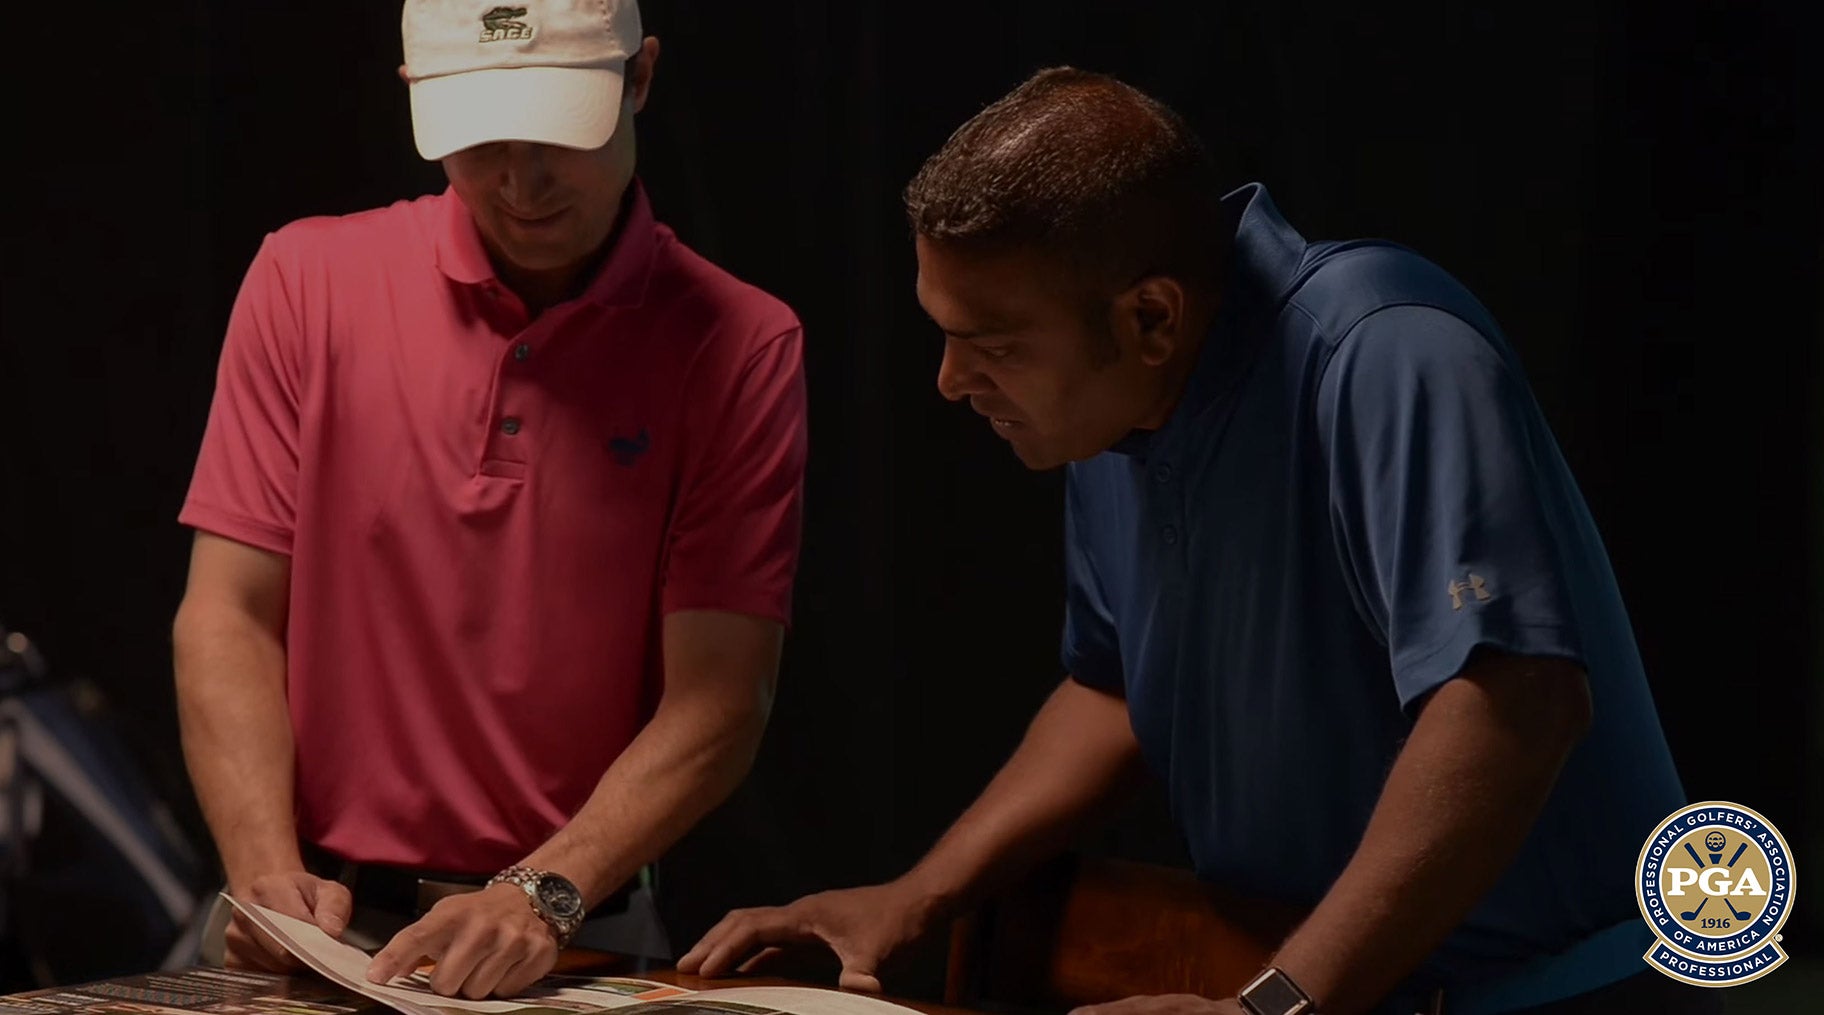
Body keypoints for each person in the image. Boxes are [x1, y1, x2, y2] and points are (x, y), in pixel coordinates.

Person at [680, 69, 1714, 1015]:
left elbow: (1511, 706)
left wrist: (1271, 1006)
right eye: (940, 333)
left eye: (991, 346)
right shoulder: (1112, 412)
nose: (950, 382)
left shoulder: (1384, 349)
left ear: (1151, 318)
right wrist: (916, 896)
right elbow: (1116, 691)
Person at [174, 0, 805, 1000]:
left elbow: (721, 697)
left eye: (556, 131)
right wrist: (260, 872)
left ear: (638, 79)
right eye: (477, 139)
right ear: (416, 98)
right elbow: (225, 614)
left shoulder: (738, 341)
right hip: (323, 923)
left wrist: (541, 892)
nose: (521, 182)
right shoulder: (305, 278)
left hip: (582, 930)